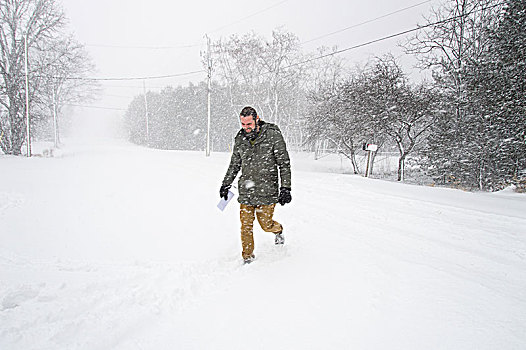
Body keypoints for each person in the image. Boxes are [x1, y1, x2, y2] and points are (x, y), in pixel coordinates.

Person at [220, 106, 292, 264]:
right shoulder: (240, 139)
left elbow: (284, 164)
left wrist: (285, 188)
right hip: (246, 190)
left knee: (265, 225)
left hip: (267, 190)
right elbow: (234, 164)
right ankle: (247, 257)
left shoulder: (273, 136)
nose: (246, 128)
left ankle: (278, 230)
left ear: (256, 119)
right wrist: (226, 184)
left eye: (249, 124)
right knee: (245, 226)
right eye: (243, 124)